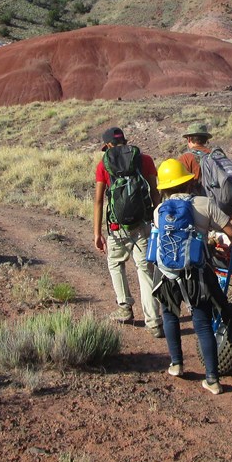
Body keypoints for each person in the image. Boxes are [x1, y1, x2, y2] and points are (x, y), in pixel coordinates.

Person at [151, 159, 232, 394]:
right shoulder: (204, 203)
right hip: (195, 274)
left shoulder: (159, 210)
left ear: (164, 187)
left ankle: (177, 364)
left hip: (167, 272)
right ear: (188, 182)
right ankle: (212, 379)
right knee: (202, 324)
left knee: (170, 315)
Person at [93, 126, 163, 338]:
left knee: (115, 263)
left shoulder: (103, 164)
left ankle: (125, 308)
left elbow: (98, 200)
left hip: (117, 227)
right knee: (145, 270)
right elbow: (154, 192)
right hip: (143, 224)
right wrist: (156, 221)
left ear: (107, 146)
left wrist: (97, 232)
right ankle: (154, 322)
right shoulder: (146, 160)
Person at [178, 123, 232, 237]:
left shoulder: (186, 159)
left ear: (189, 139)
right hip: (223, 219)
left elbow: (179, 193)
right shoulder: (218, 157)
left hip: (200, 218)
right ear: (206, 139)